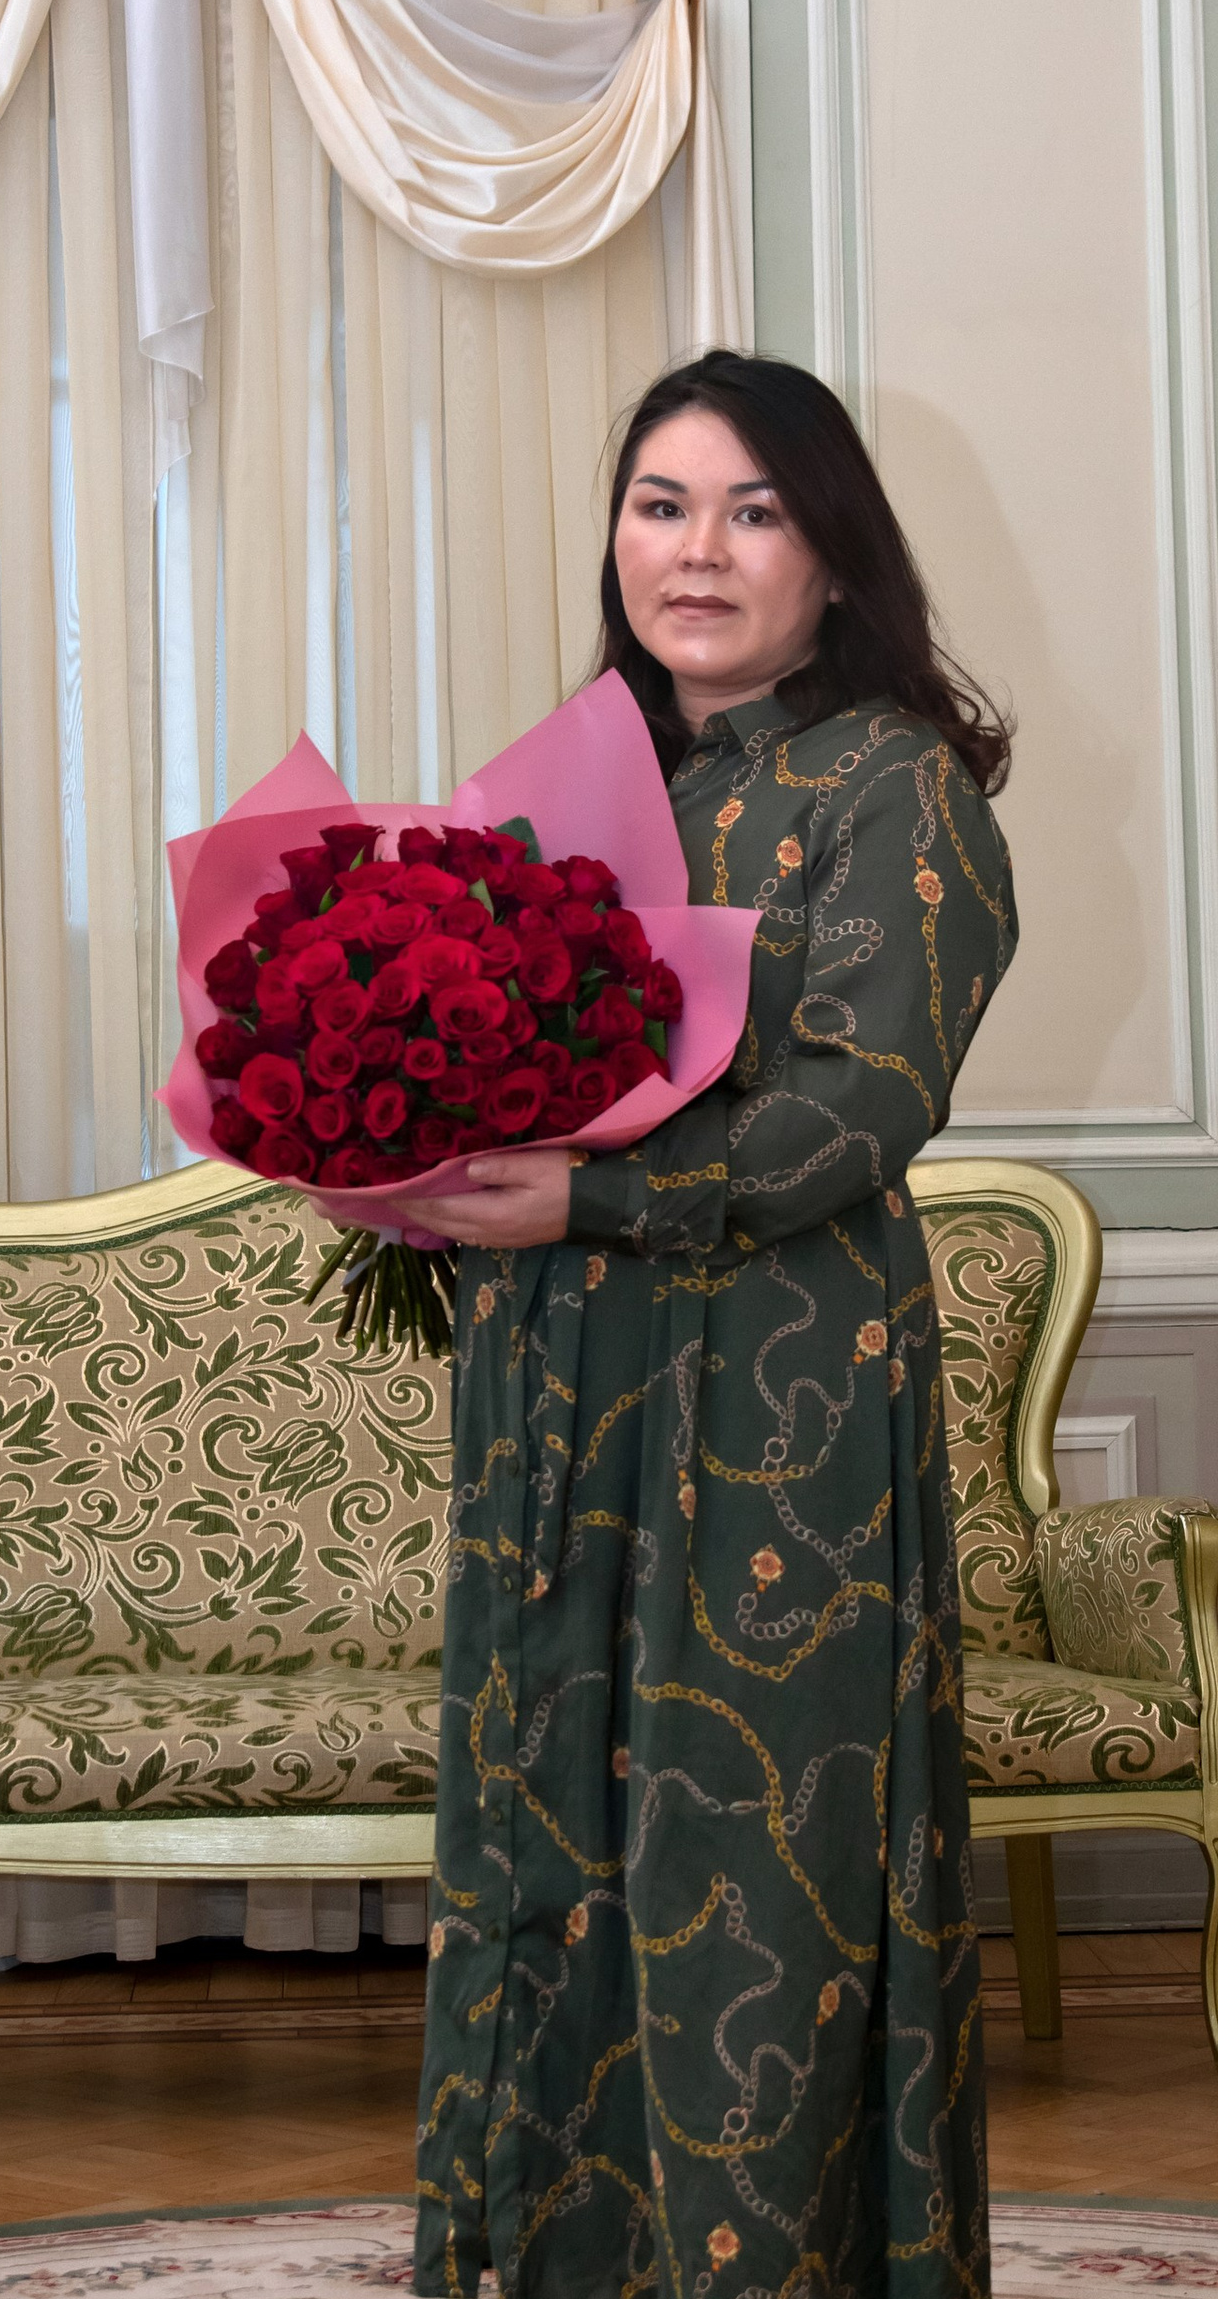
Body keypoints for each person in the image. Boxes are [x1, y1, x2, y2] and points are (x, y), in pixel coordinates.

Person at [397, 351, 1017, 2298]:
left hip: (772, 1397)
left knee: (750, 1873)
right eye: (661, 504)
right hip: (558, 1392)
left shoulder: (896, 787)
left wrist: (590, 1196)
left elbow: (861, 1102)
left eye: (754, 510)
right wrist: (401, 1154)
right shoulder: (582, 788)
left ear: (833, 554)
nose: (699, 549)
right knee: (543, 1842)